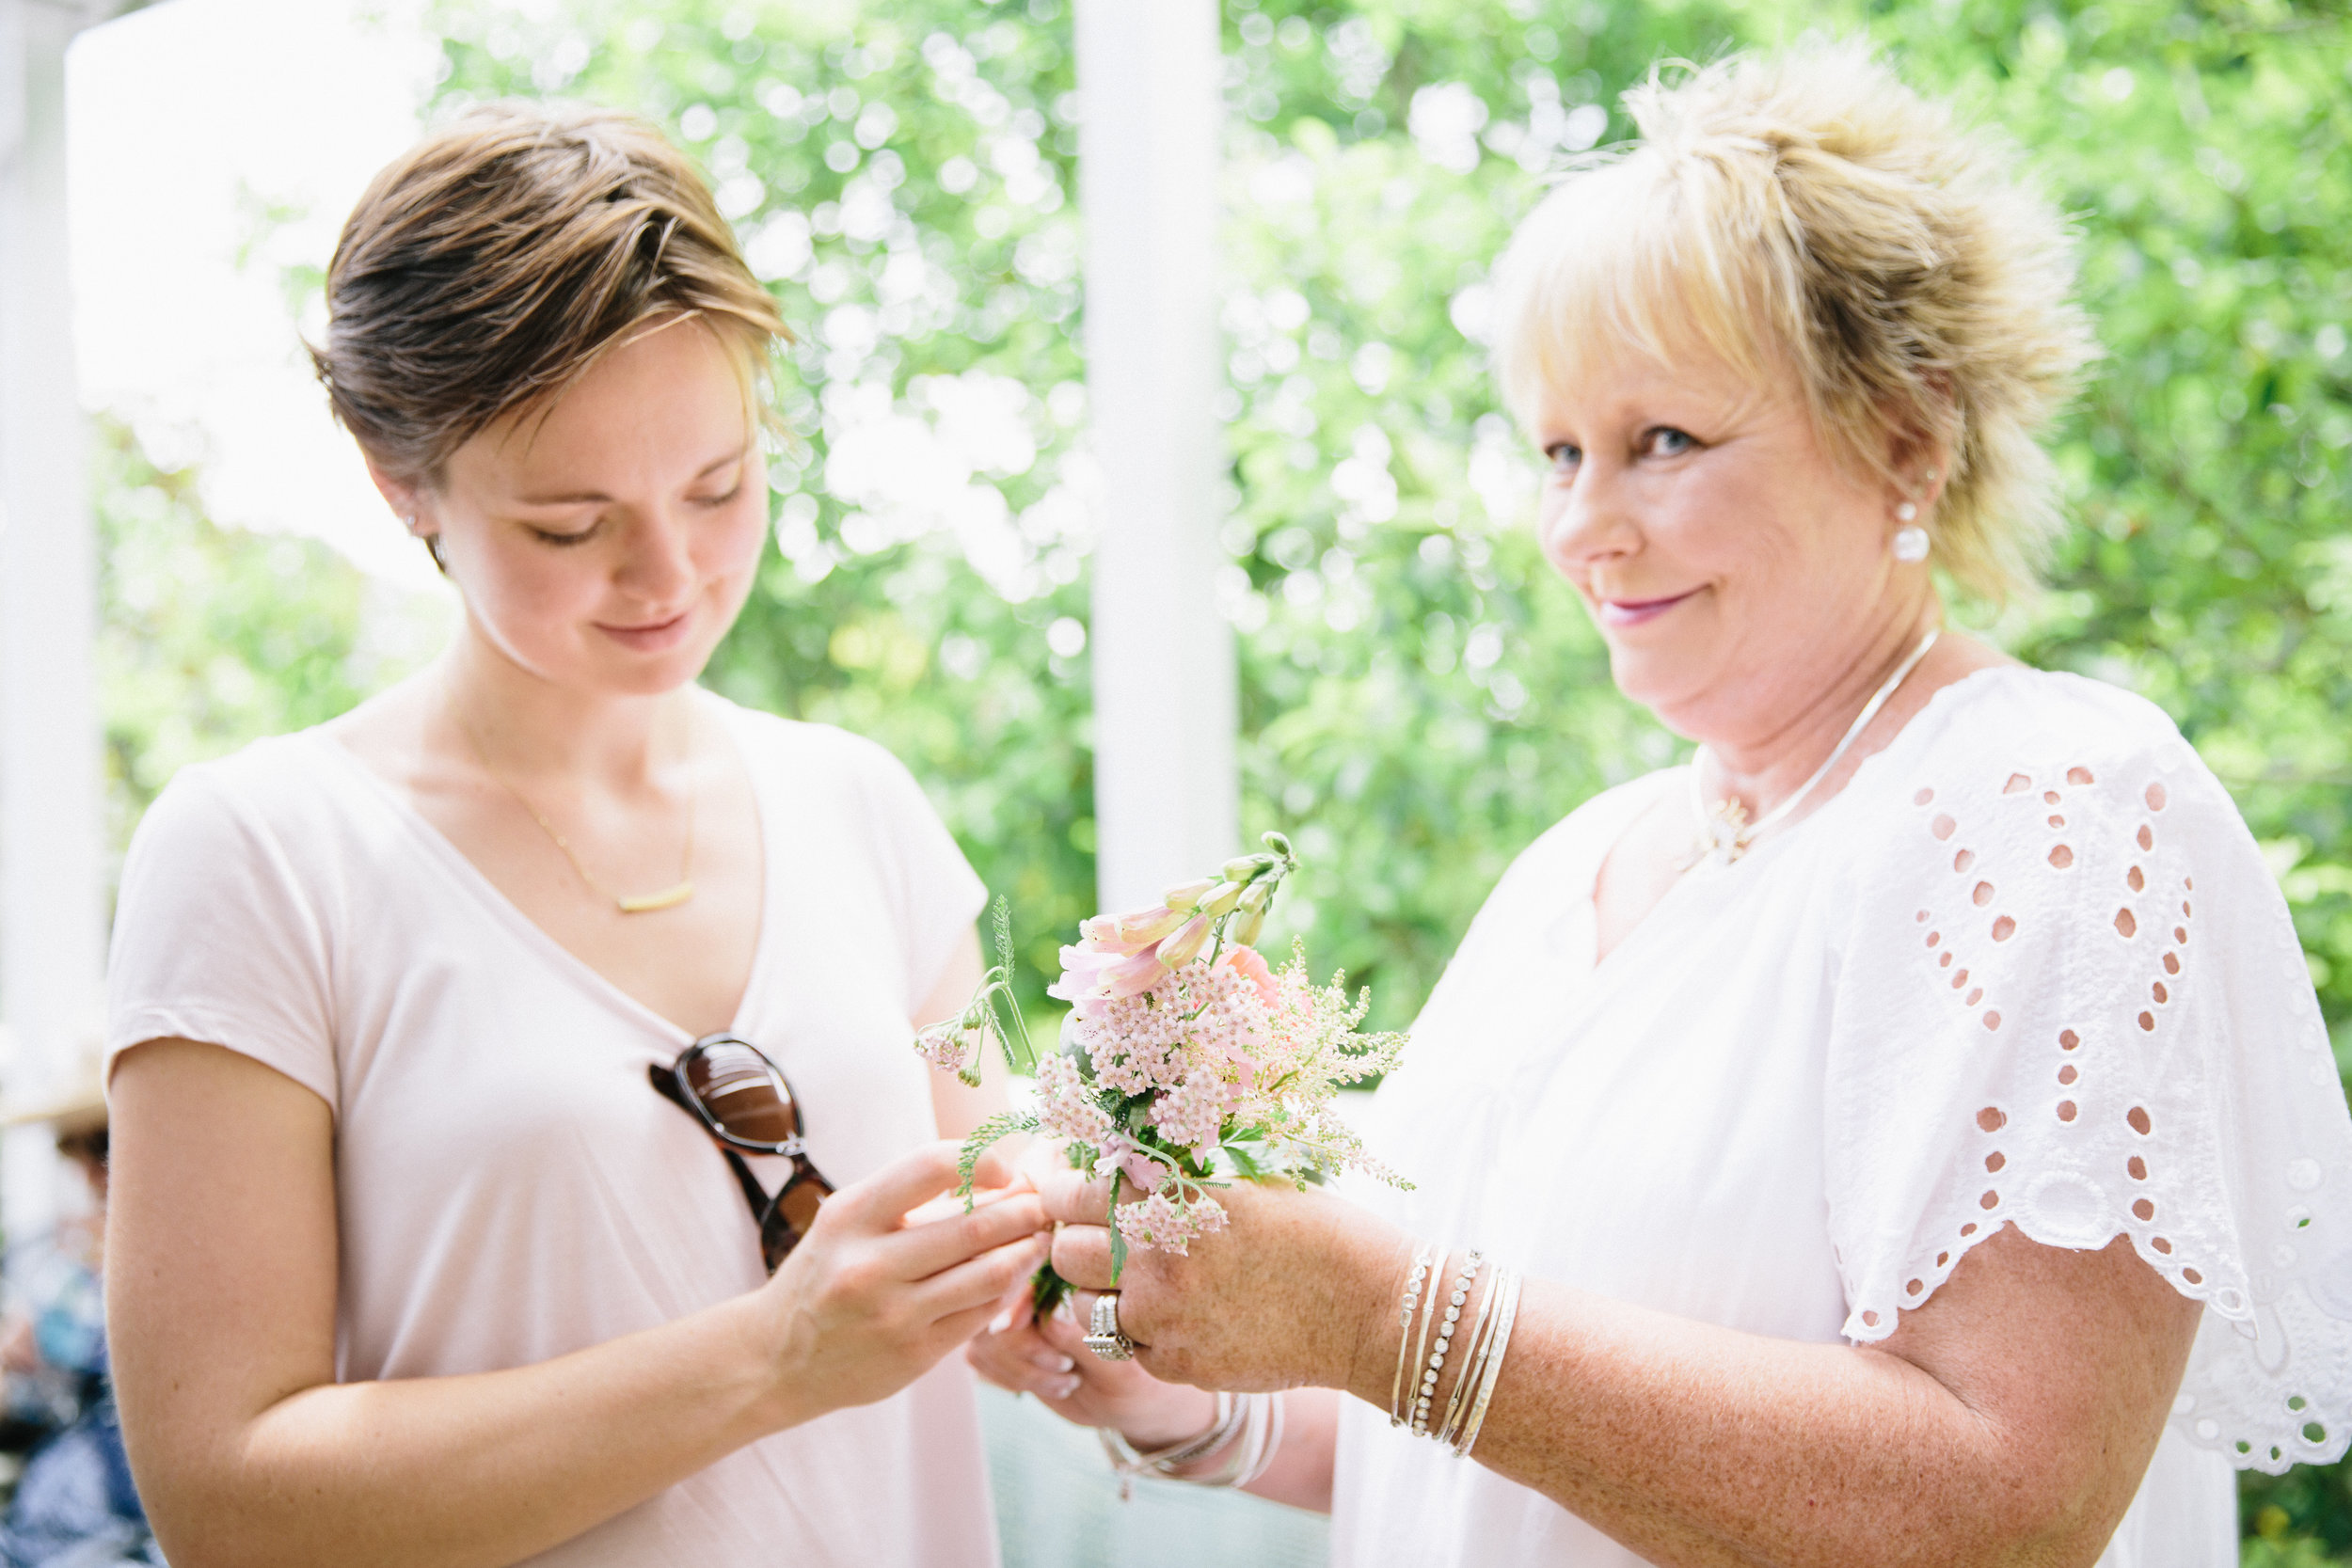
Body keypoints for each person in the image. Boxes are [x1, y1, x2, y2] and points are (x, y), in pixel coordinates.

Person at [972, 40, 2352, 1566]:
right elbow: (1483, 1436)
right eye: (1558, 450)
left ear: (1908, 434)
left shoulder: (2061, 809)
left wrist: (1374, 1309)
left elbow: (2007, 1501)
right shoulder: (1582, 868)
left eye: (1664, 444)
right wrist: (1182, 1386)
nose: (1581, 528)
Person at [103, 104, 1049, 1568]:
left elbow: (1009, 1225)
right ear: (397, 478)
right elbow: (225, 1495)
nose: (668, 572)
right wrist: (773, 1357)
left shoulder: (859, 803)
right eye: (568, 522)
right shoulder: (264, 854)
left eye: (720, 485)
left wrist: (1109, 1268)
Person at [0, 1081, 156, 1568]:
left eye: (103, 1145)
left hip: (127, 1523)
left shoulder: (170, 1254)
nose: (89, 1172)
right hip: (54, 1510)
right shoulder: (64, 1253)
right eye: (74, 1149)